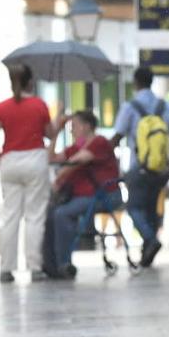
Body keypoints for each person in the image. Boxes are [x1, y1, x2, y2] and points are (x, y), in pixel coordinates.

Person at [0, 64, 60, 283]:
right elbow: (50, 134)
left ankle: (6, 269)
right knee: (34, 216)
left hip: (10, 161)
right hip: (35, 161)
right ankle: (35, 267)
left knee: (10, 216)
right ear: (31, 82)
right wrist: (59, 119)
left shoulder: (1, 108)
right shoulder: (39, 105)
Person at [112, 67, 169, 268]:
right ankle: (147, 256)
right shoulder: (165, 107)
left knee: (133, 207)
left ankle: (150, 240)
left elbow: (117, 137)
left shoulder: (130, 107)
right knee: (150, 210)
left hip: (138, 167)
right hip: (159, 169)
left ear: (136, 82)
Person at [43, 110, 122, 279]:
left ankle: (63, 262)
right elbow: (51, 158)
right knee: (50, 213)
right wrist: (56, 132)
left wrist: (59, 177)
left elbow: (77, 161)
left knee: (62, 214)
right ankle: (51, 265)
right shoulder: (76, 146)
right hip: (82, 197)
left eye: (75, 126)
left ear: (87, 126)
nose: (71, 130)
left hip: (104, 196)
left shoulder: (99, 142)